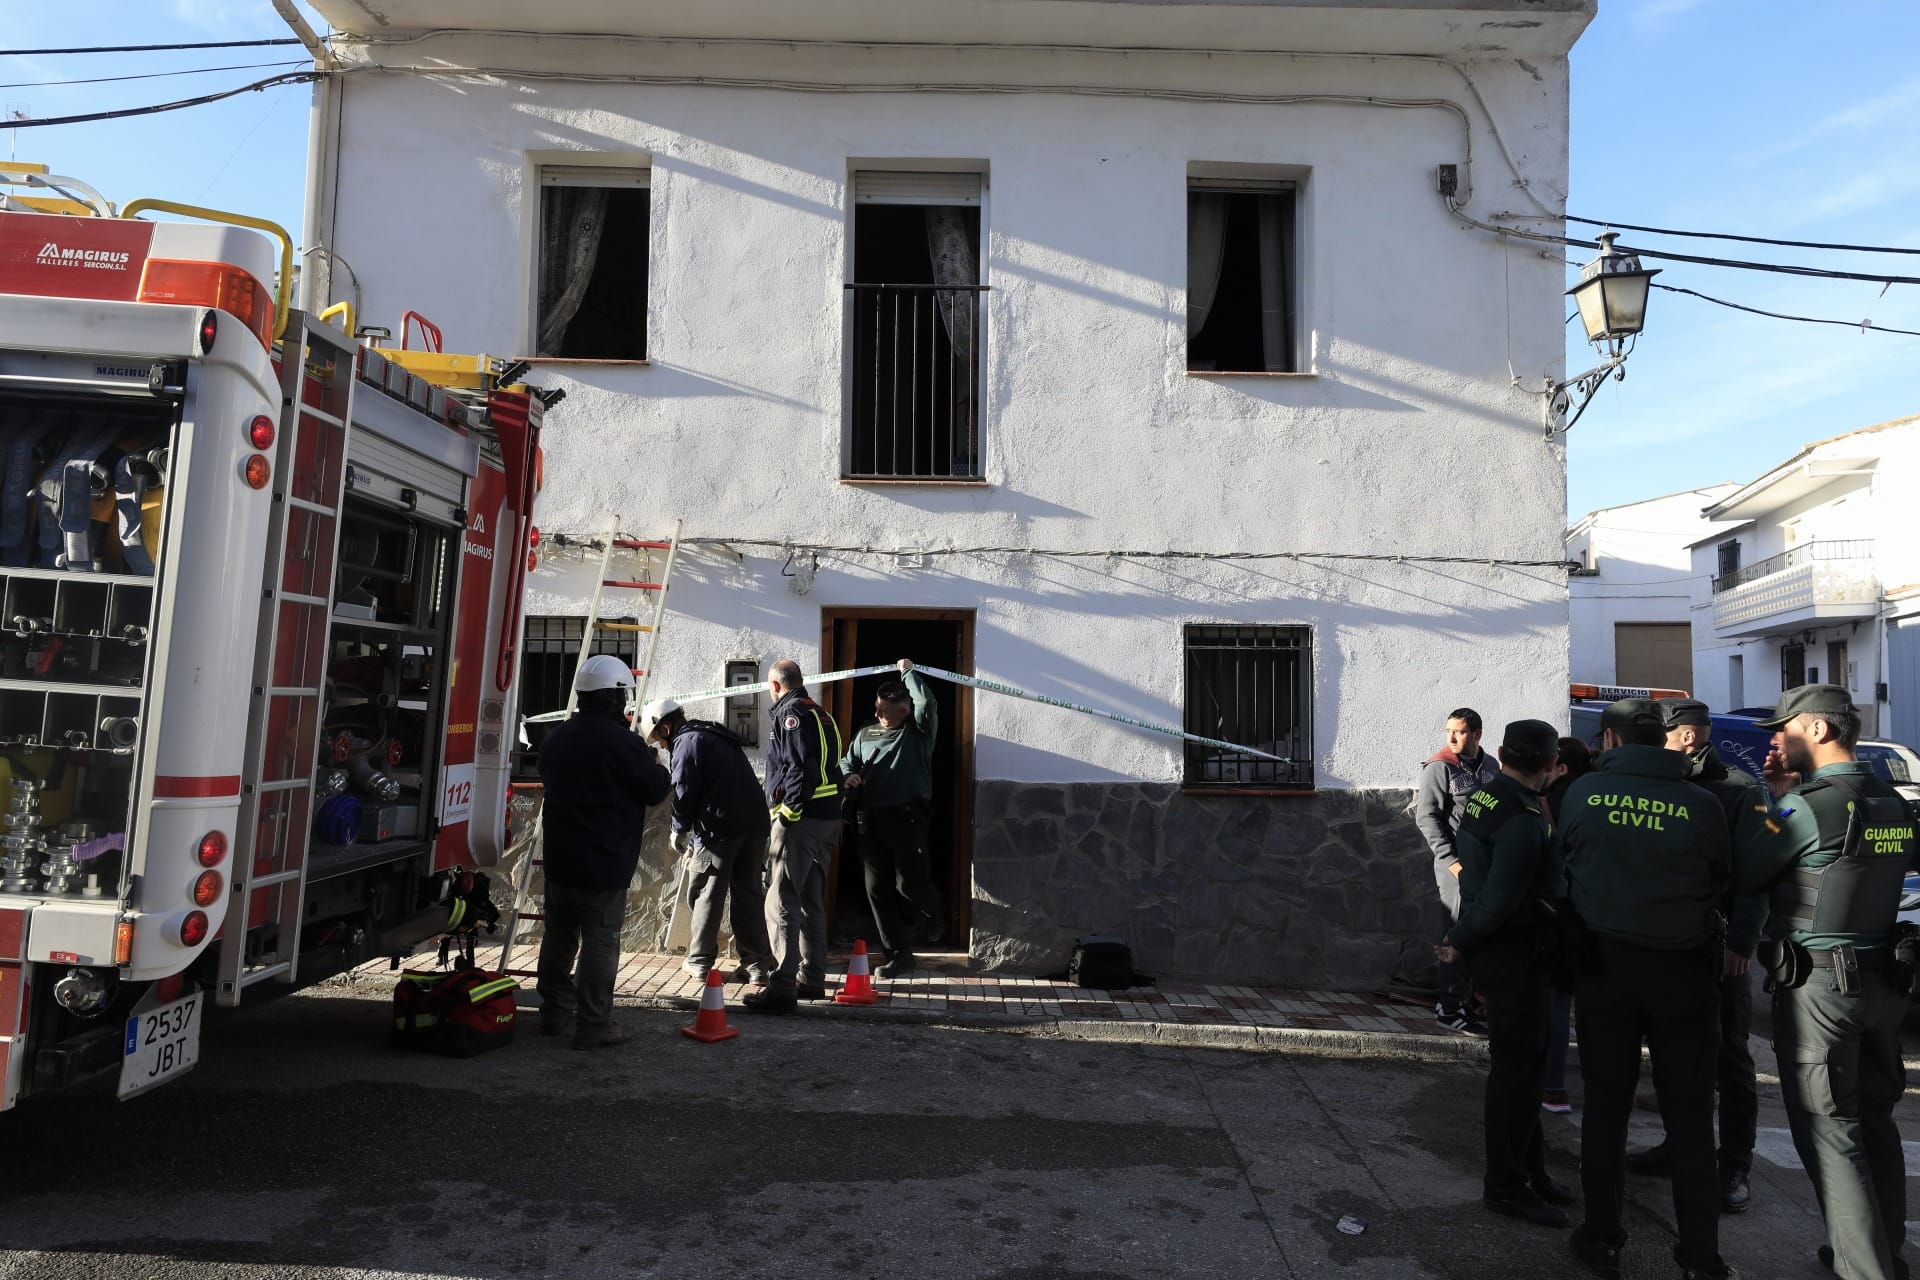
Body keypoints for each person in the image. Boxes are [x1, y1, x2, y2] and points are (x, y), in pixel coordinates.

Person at [1732, 685, 1917, 1280]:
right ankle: (1878, 1251)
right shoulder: (1892, 798)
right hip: (1883, 984)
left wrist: (1775, 800)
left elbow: (1749, 866)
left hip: (1821, 990)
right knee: (1875, 1123)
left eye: (1783, 731)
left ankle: (1866, 1271)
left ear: (1816, 730)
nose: (1777, 744)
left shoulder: (1806, 804)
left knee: (1830, 1132)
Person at [1556, 698, 1735, 1280]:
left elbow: (1568, 871)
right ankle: (1702, 1257)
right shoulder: (1703, 802)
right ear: (1663, 741)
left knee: (1605, 1109)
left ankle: (1603, 1237)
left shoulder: (1583, 795)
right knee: (1689, 1118)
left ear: (1609, 740)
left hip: (1606, 970)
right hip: (1682, 972)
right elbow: (1720, 879)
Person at [1626, 700, 1772, 1214]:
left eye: (1661, 736)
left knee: (1729, 1056)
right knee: (1672, 1050)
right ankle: (1677, 1144)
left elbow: (1756, 872)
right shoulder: (1664, 778)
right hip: (1669, 938)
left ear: (1684, 737)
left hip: (1718, 945)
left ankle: (1734, 1166)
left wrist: (1741, 941)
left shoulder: (1738, 788)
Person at [1434, 719, 1575, 1229]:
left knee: (1527, 1069)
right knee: (1517, 1075)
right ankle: (1505, 1187)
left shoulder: (1488, 795)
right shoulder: (1518, 816)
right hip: (1514, 953)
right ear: (1551, 761)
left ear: (1500, 751)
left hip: (1503, 949)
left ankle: (1531, 1171)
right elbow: (1501, 896)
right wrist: (1460, 941)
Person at [534, 654, 671, 1050]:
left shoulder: (557, 737)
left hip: (561, 859)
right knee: (600, 941)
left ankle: (553, 1016)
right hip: (604, 862)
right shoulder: (624, 744)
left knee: (559, 938)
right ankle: (593, 1024)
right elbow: (655, 788)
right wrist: (652, 760)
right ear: (615, 698)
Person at [641, 697, 776, 987]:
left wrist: (679, 829)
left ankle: (700, 962)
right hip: (754, 825)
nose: (661, 747)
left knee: (706, 893)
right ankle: (756, 966)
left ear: (665, 728)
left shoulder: (687, 743)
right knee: (748, 895)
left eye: (659, 741)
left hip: (719, 830)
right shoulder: (713, 734)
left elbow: (684, 790)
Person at [743, 658, 846, 1015]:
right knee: (811, 897)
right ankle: (812, 977)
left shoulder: (791, 714)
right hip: (828, 819)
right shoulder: (821, 713)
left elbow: (798, 767)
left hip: (801, 820)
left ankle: (783, 986)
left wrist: (787, 812)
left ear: (774, 685)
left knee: (782, 899)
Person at [841, 659, 946, 977]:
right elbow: (848, 760)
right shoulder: (867, 731)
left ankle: (935, 916)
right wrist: (848, 777)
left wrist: (908, 672)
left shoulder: (918, 731)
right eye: (876, 707)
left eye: (883, 709)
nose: (877, 714)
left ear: (902, 710)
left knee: (910, 885)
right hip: (871, 822)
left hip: (907, 821)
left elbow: (926, 701)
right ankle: (899, 955)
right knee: (877, 890)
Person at [1414, 707, 1502, 1034]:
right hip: (1456, 867)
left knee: (1480, 932)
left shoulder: (1491, 766)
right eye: (1448, 730)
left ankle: (1470, 1003)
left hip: (1486, 864)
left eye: (1460, 731)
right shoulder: (1441, 767)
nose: (1452, 737)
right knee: (1455, 932)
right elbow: (1427, 818)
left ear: (1477, 735)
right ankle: (1447, 1008)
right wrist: (1452, 862)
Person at [1541, 735, 1593, 1115]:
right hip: (1596, 910)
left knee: (1557, 1002)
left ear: (1561, 767)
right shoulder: (1596, 797)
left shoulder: (1557, 798)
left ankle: (1553, 1087)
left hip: (1560, 908)